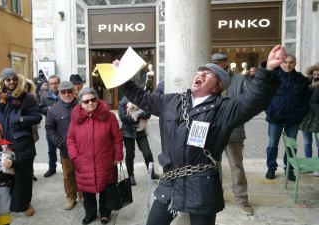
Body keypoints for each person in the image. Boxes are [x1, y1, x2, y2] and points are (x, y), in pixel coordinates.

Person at [121, 45, 286, 225]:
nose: (201, 75)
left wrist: (268, 70)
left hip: (202, 185)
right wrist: (122, 76)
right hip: (170, 183)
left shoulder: (225, 108)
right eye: (200, 72)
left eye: (208, 75)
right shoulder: (171, 101)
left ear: (217, 86)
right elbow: (141, 97)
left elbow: (254, 100)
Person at [0, 68, 42, 217]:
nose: (12, 82)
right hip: (2, 142)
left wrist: (22, 119)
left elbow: (37, 116)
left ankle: (25, 203)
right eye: (8, 79)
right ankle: (8, 202)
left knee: (23, 175)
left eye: (14, 79)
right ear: (3, 82)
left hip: (22, 142)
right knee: (6, 174)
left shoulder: (27, 97)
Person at [67, 87, 123, 225]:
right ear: (81, 103)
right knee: (87, 192)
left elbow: (117, 138)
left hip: (105, 160)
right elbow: (70, 139)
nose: (90, 103)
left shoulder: (109, 117)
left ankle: (105, 213)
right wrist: (75, 157)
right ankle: (90, 214)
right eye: (86, 101)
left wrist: (118, 156)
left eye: (93, 100)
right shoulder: (76, 118)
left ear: (97, 100)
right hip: (83, 161)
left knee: (105, 188)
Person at [212, 54, 253, 215]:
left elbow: (249, 102)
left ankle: (242, 199)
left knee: (236, 165)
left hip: (234, 131)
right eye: (214, 63)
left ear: (225, 64)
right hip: (213, 131)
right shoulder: (209, 79)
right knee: (213, 166)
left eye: (219, 63)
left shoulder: (239, 80)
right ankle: (216, 196)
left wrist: (237, 118)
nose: (216, 66)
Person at [264, 54, 311, 181]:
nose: (288, 64)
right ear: (281, 63)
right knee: (272, 144)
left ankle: (289, 170)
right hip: (275, 118)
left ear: (295, 63)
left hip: (293, 120)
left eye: (291, 62)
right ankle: (271, 169)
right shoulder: (274, 78)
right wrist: (269, 111)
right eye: (285, 62)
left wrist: (300, 114)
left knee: (291, 146)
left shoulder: (302, 80)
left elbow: (306, 100)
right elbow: (265, 96)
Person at [45, 81, 80, 210]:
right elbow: (49, 128)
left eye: (69, 91)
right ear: (59, 93)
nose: (67, 94)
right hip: (66, 149)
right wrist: (60, 143)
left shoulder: (83, 105)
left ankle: (84, 194)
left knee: (83, 172)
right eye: (63, 92)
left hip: (84, 148)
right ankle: (71, 196)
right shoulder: (53, 110)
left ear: (74, 91)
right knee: (68, 174)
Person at [118, 96, 159, 186]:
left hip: (141, 130)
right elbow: (123, 118)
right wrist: (139, 115)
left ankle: (151, 173)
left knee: (147, 152)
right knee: (130, 154)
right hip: (128, 132)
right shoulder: (122, 102)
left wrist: (136, 115)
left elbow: (148, 114)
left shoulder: (141, 98)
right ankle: (130, 175)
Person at [40, 75, 60, 177]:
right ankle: (52, 168)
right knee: (51, 149)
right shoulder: (44, 96)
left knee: (65, 149)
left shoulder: (64, 94)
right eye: (51, 84)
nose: (53, 86)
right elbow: (40, 108)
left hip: (62, 126)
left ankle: (67, 167)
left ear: (58, 84)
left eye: (55, 83)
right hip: (51, 126)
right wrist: (48, 109)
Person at [299, 64, 319, 162]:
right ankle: (308, 162)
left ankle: (318, 165)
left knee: (318, 142)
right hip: (306, 117)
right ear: (311, 74)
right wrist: (311, 87)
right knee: (307, 142)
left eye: (318, 74)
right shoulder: (306, 82)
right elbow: (301, 95)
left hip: (317, 117)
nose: (316, 76)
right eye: (314, 74)